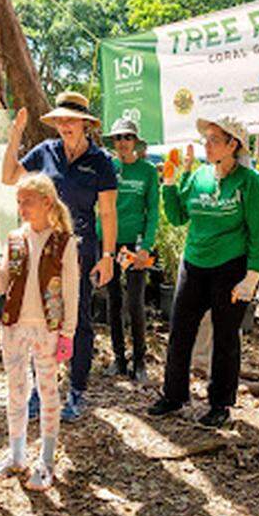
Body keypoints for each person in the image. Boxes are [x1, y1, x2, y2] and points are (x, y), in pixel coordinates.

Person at [2, 92, 117, 422]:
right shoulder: (45, 152)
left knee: (77, 320)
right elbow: (9, 177)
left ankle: (77, 390)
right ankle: (41, 388)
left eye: (71, 119)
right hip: (43, 248)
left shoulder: (100, 162)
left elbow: (107, 213)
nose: (65, 125)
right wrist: (15, 137)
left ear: (85, 123)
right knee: (40, 317)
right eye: (60, 120)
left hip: (81, 250)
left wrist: (107, 255)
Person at [147, 116, 259, 428]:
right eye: (207, 138)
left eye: (215, 139)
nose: (207, 144)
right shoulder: (199, 176)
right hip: (194, 264)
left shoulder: (249, 181)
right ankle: (174, 395)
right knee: (180, 330)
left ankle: (220, 403)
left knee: (226, 335)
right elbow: (176, 217)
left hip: (231, 267)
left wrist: (252, 275)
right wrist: (170, 184)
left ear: (233, 145)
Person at [0, 173, 80, 491]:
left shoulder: (63, 243)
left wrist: (68, 332)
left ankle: (47, 459)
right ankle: (16, 455)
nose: (21, 206)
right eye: (19, 201)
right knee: (15, 392)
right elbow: (0, 286)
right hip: (14, 327)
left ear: (47, 202)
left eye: (27, 201)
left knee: (49, 392)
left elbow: (71, 291)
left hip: (48, 329)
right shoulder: (14, 239)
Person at [101, 118, 159, 382]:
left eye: (127, 137)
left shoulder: (147, 171)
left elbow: (153, 213)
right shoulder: (107, 168)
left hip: (135, 247)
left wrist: (146, 246)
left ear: (135, 141)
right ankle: (119, 359)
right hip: (110, 246)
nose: (122, 142)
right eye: (118, 138)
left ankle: (139, 361)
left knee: (135, 303)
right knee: (113, 302)